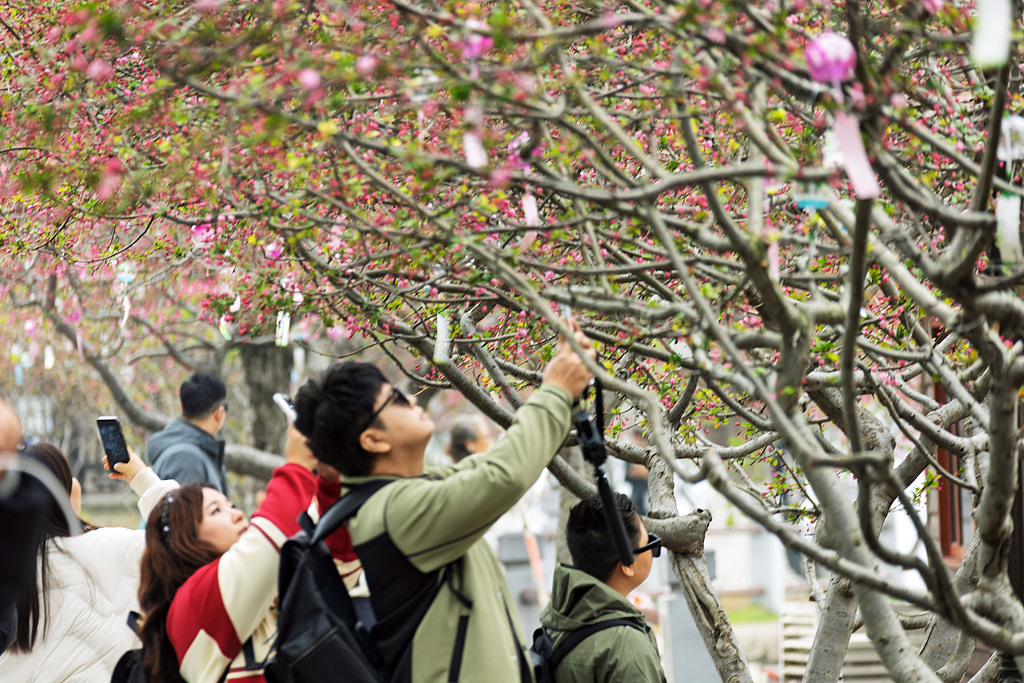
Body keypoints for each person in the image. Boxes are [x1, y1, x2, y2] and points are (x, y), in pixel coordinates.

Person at [292, 328, 595, 682]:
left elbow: (490, 466)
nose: (413, 401)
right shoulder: (393, 511)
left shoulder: (407, 491)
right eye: (397, 401)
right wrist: (556, 390)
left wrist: (564, 387)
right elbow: (502, 476)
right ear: (372, 440)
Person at [137, 424, 351, 683]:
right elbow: (272, 537)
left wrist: (329, 480)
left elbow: (335, 552)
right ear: (185, 540)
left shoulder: (261, 578)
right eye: (216, 511)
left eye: (232, 505)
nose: (238, 514)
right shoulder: (190, 607)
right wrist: (297, 463)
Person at [0, 442, 171, 682]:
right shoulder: (108, 548)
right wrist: (141, 476)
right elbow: (182, 534)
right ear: (63, 490)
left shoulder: (11, 569)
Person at [538, 492, 667, 683]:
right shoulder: (625, 645)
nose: (652, 551)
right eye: (649, 543)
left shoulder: (558, 617)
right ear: (627, 566)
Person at [147, 372, 229, 492]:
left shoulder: (194, 452)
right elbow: (185, 510)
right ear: (219, 412)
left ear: (182, 408)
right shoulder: (187, 459)